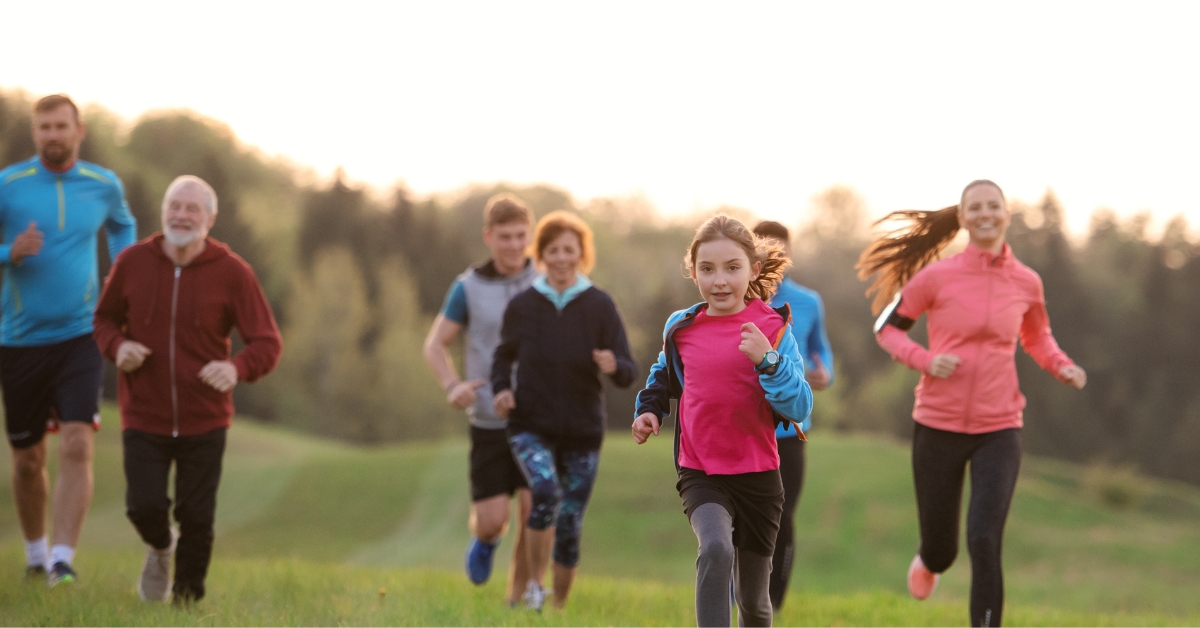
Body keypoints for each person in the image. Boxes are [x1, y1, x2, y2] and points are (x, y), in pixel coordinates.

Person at [857, 180, 1086, 627]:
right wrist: (924, 360)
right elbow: (887, 328)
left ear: (1006, 214)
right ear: (962, 219)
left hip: (999, 426)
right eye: (975, 207)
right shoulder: (936, 277)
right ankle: (929, 560)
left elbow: (1036, 335)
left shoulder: (1026, 282)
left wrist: (1060, 365)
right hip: (937, 425)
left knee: (984, 537)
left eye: (993, 206)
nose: (985, 213)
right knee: (943, 549)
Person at [93, 175, 282, 603]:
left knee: (197, 517)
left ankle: (186, 602)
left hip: (205, 418)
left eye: (192, 208)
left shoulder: (234, 272)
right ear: (163, 212)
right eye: (174, 206)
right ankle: (161, 547)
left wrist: (236, 368)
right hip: (144, 411)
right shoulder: (133, 262)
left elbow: (268, 342)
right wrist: (117, 346)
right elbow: (103, 320)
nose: (181, 215)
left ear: (210, 219)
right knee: (143, 506)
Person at [632, 214, 814, 627]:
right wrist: (648, 410)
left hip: (759, 476)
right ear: (693, 272)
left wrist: (768, 360)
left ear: (754, 269)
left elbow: (800, 407)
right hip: (702, 470)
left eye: (732, 268)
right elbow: (664, 376)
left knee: (754, 602)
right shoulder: (682, 328)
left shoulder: (775, 329)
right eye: (707, 269)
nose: (719, 280)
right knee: (715, 548)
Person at [0, 94, 137, 586]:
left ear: (79, 131)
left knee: (78, 442)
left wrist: (120, 276)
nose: (53, 135)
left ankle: (62, 560)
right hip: (18, 341)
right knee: (27, 460)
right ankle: (36, 554)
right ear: (34, 134)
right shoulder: (8, 185)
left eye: (61, 126)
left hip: (81, 333)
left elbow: (124, 226)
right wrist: (7, 251)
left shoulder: (103, 186)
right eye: (44, 128)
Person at [491, 210, 637, 611]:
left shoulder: (600, 304)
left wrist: (614, 364)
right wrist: (502, 389)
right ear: (541, 254)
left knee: (570, 522)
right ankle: (535, 588)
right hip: (530, 424)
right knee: (543, 491)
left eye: (568, 250)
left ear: (581, 254)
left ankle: (558, 608)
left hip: (582, 430)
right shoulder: (523, 305)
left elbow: (628, 369)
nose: (559, 257)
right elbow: (503, 357)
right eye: (552, 250)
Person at [422, 194, 541, 604]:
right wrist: (452, 385)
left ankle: (517, 599)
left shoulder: (547, 280)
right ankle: (486, 541)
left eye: (520, 236)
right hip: (487, 419)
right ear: (488, 236)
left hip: (537, 420)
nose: (513, 245)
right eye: (504, 237)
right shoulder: (467, 287)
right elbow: (435, 345)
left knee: (533, 513)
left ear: (530, 235)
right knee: (493, 521)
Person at [751, 221, 833, 613]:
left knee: (782, 518)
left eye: (779, 249)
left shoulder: (809, 301)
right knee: (740, 518)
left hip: (790, 431)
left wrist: (825, 372)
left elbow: (822, 350)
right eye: (763, 249)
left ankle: (773, 606)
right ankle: (742, 596)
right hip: (745, 427)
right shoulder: (736, 296)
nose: (772, 257)